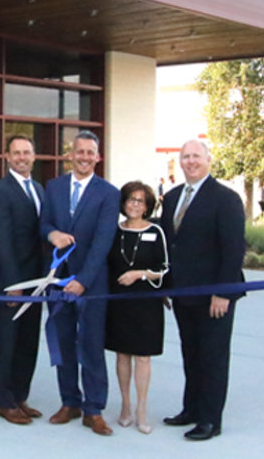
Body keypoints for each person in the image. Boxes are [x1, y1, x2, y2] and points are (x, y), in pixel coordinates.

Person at [160, 139, 245, 441]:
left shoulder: (226, 198)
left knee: (212, 357)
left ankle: (210, 420)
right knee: (190, 353)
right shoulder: (170, 198)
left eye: (196, 156)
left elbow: (234, 249)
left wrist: (223, 292)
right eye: (185, 157)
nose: (191, 161)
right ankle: (191, 409)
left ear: (209, 160)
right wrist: (166, 288)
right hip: (183, 295)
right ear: (179, 162)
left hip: (214, 297)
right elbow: (169, 246)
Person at [40, 130, 120, 436]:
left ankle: (94, 408)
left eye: (90, 152)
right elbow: (44, 223)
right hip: (57, 281)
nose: (84, 157)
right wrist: (52, 235)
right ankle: (69, 402)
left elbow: (103, 241)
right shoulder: (54, 187)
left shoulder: (108, 193)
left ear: (98, 157)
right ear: (70, 154)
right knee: (62, 342)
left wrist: (83, 281)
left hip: (92, 284)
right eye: (79, 151)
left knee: (91, 345)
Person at [0, 135, 46, 425]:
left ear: (34, 156)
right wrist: (14, 284)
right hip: (14, 284)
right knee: (8, 342)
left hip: (38, 281)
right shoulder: (1, 191)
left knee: (28, 340)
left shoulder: (38, 188)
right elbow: (2, 240)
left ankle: (21, 397)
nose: (22, 157)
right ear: (7, 157)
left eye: (27, 152)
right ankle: (6, 402)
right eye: (16, 153)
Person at [106, 181, 168, 435]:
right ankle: (125, 405)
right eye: (131, 200)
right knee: (122, 355)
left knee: (143, 357)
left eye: (140, 201)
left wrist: (140, 274)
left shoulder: (156, 231)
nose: (135, 205)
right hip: (119, 302)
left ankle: (142, 409)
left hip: (146, 303)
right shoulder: (114, 230)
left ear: (147, 206)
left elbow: (164, 268)